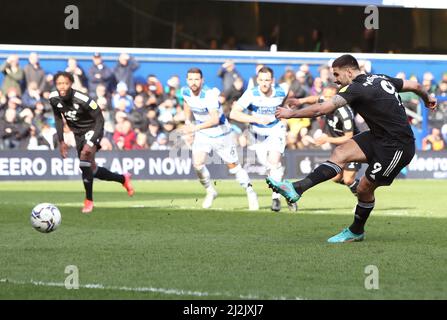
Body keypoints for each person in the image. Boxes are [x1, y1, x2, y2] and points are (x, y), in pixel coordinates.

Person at [267, 54, 437, 242]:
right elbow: (415, 86)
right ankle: (297, 188)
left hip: (397, 146)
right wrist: (427, 98)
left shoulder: (356, 88)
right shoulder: (380, 78)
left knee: (364, 188)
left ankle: (356, 231)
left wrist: (291, 114)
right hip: (378, 136)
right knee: (341, 152)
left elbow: (322, 109)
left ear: (349, 71)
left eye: (337, 74)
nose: (335, 79)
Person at [49, 71, 134, 213]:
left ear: (71, 84)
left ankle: (89, 200)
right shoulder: (53, 98)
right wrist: (61, 140)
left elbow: (100, 119)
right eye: (59, 83)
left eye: (65, 83)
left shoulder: (83, 99)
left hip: (93, 128)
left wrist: (92, 140)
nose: (62, 86)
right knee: (90, 169)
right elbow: (58, 118)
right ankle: (122, 179)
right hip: (78, 134)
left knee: (84, 158)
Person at [181, 67, 259, 210]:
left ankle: (250, 192)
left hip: (221, 133)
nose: (193, 82)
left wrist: (194, 128)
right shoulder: (184, 91)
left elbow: (214, 120)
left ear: (202, 80)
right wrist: (187, 121)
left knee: (234, 167)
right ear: (187, 80)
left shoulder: (209, 95)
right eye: (191, 79)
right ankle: (211, 191)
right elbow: (186, 103)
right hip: (203, 134)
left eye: (196, 79)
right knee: (197, 164)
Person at [230, 66, 296, 212]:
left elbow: (289, 99)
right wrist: (256, 119)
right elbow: (234, 114)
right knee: (270, 169)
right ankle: (287, 190)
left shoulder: (282, 90)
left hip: (276, 131)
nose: (264, 83)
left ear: (272, 80)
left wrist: (286, 112)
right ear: (257, 80)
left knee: (274, 162)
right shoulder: (251, 94)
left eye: (267, 80)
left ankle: (275, 199)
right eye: (261, 80)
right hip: (257, 135)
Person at [296, 85, 360, 195]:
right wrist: (300, 100)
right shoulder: (326, 101)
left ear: (337, 98)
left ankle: (364, 196)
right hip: (339, 147)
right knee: (335, 178)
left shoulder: (345, 113)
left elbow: (349, 137)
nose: (326, 99)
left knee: (348, 179)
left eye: (330, 97)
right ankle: (361, 188)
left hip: (354, 145)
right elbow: (316, 99)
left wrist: (327, 139)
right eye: (325, 96)